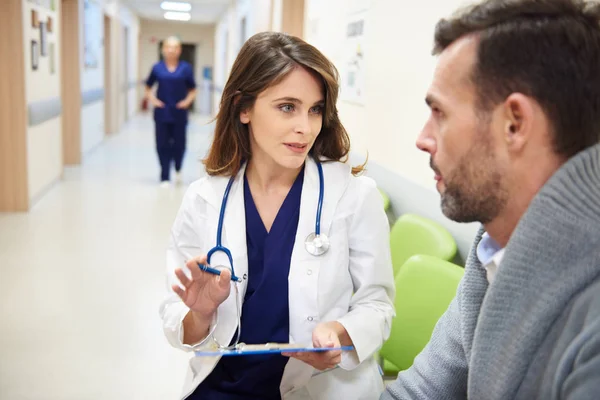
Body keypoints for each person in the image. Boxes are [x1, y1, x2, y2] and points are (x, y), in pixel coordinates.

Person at [382, 0, 600, 399]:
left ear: (514, 124)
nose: (423, 138)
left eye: (440, 113)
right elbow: (418, 392)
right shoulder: (497, 243)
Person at [160, 32, 395, 400]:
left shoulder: (353, 196)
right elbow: (179, 324)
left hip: (319, 386)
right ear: (244, 108)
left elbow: (378, 306)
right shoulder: (204, 199)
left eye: (315, 109)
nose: (306, 126)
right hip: (222, 384)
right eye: (288, 107)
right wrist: (201, 314)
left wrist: (339, 333)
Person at [145, 36, 197, 187]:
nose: (171, 50)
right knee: (162, 144)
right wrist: (154, 101)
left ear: (179, 50)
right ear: (163, 49)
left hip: (179, 113)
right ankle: (165, 176)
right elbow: (148, 88)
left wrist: (186, 102)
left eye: (175, 48)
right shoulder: (157, 68)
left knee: (179, 144)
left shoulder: (186, 68)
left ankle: (178, 167)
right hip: (162, 113)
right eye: (168, 47)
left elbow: (193, 90)